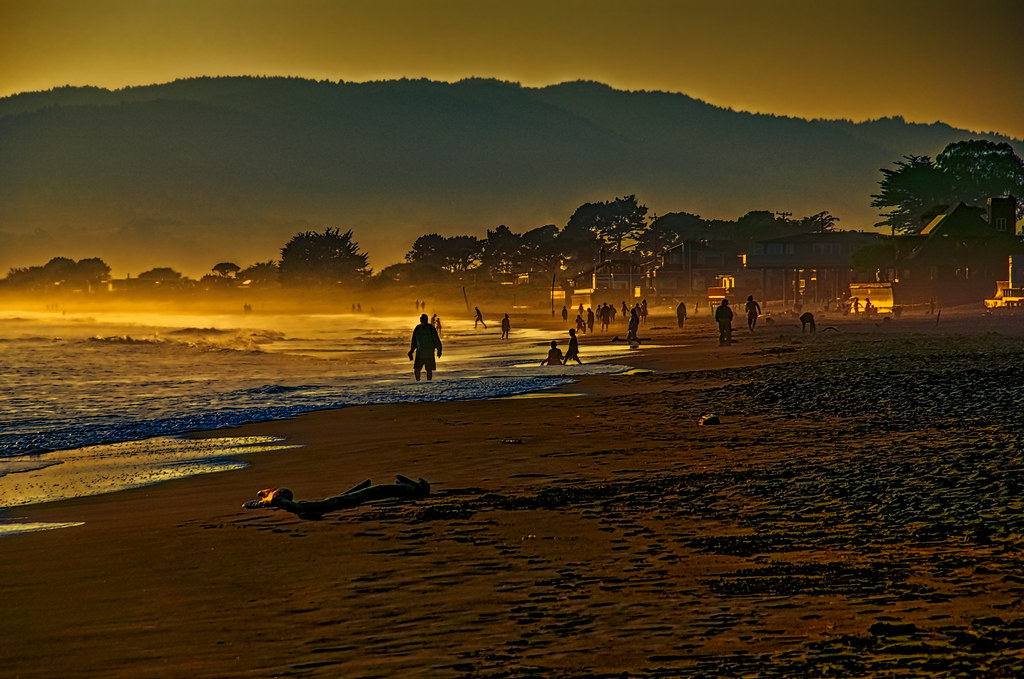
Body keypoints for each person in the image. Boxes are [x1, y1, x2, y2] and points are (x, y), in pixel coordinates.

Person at [408, 313, 442, 381]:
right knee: (420, 369)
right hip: (423, 352)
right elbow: (414, 340)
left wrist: (439, 349)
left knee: (425, 369)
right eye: (421, 319)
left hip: (425, 352)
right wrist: (411, 350)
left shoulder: (429, 328)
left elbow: (436, 339)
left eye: (422, 319)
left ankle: (424, 381)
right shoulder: (419, 328)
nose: (421, 320)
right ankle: (420, 380)